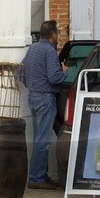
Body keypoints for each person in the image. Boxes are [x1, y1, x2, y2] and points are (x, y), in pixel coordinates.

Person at [19, 20, 66, 189]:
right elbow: (54, 77)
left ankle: (40, 176)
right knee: (43, 140)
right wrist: (65, 72)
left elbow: (20, 71)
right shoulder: (49, 51)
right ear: (53, 35)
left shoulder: (33, 48)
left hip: (33, 97)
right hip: (46, 98)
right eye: (58, 33)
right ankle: (37, 178)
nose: (58, 35)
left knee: (39, 138)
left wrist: (31, 85)